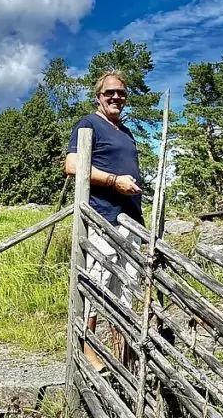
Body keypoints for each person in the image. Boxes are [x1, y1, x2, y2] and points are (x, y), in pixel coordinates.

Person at [64, 70, 144, 372]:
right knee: (99, 282)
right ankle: (88, 351)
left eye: (121, 93)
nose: (116, 97)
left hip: (130, 220)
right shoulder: (89, 123)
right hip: (103, 215)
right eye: (109, 92)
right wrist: (113, 181)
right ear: (98, 96)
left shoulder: (126, 132)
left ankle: (121, 355)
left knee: (126, 287)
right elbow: (72, 165)